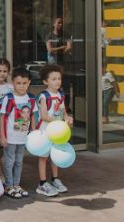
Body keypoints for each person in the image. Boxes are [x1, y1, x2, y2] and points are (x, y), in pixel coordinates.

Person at [35, 64, 73, 197]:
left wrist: (67, 119)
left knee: (55, 156)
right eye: (53, 79)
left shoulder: (61, 94)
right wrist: (60, 122)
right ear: (46, 81)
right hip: (45, 131)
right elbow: (44, 116)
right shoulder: (44, 96)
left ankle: (55, 179)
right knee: (43, 157)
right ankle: (42, 183)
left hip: (58, 132)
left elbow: (63, 111)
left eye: (59, 78)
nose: (57, 81)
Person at [0, 67, 36, 199]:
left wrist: (34, 132)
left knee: (19, 161)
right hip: (10, 138)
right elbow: (2, 117)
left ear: (29, 83)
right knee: (9, 161)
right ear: (13, 83)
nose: (21, 86)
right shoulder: (9, 98)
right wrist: (2, 136)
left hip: (23, 138)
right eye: (18, 83)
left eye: (24, 83)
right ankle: (9, 186)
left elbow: (32, 116)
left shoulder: (31, 98)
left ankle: (17, 184)